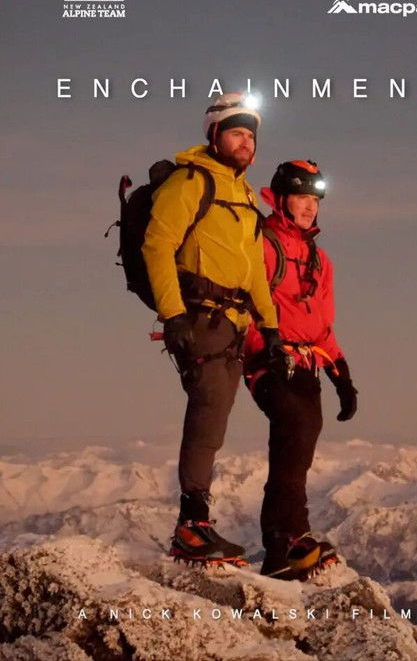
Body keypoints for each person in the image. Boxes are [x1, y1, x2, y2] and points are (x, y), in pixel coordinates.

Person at [142, 93, 287, 563]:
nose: (246, 143)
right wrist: (172, 315)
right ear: (215, 135)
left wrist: (271, 327)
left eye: (251, 136)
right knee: (208, 410)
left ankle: (197, 525)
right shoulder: (191, 181)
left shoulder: (243, 194)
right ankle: (191, 528)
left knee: (217, 414)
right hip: (200, 315)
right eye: (237, 133)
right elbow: (157, 245)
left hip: (235, 322)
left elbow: (254, 269)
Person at [244, 160, 358, 579]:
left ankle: (283, 550)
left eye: (315, 200)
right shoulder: (260, 243)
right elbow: (242, 303)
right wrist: (263, 347)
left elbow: (321, 324)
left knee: (299, 445)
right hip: (269, 360)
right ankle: (289, 538)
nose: (310, 207)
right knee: (295, 427)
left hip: (308, 363)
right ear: (281, 199)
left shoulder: (319, 259)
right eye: (301, 197)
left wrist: (340, 372)